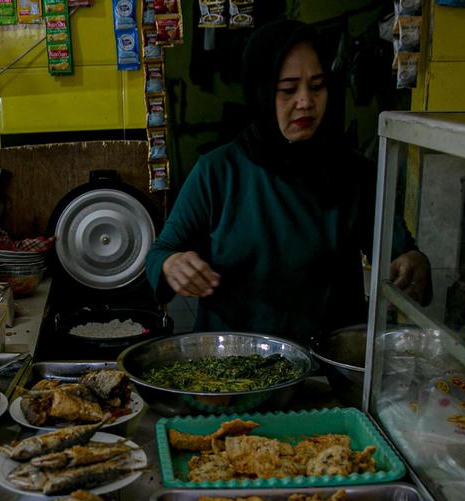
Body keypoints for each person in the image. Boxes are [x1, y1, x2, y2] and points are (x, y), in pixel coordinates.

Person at [145, 19, 430, 341]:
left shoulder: (353, 172)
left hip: (328, 363)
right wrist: (173, 264)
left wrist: (412, 262)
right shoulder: (218, 171)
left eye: (318, 85)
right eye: (288, 89)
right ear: (260, 92)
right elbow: (160, 253)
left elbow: (399, 251)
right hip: (233, 365)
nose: (306, 101)